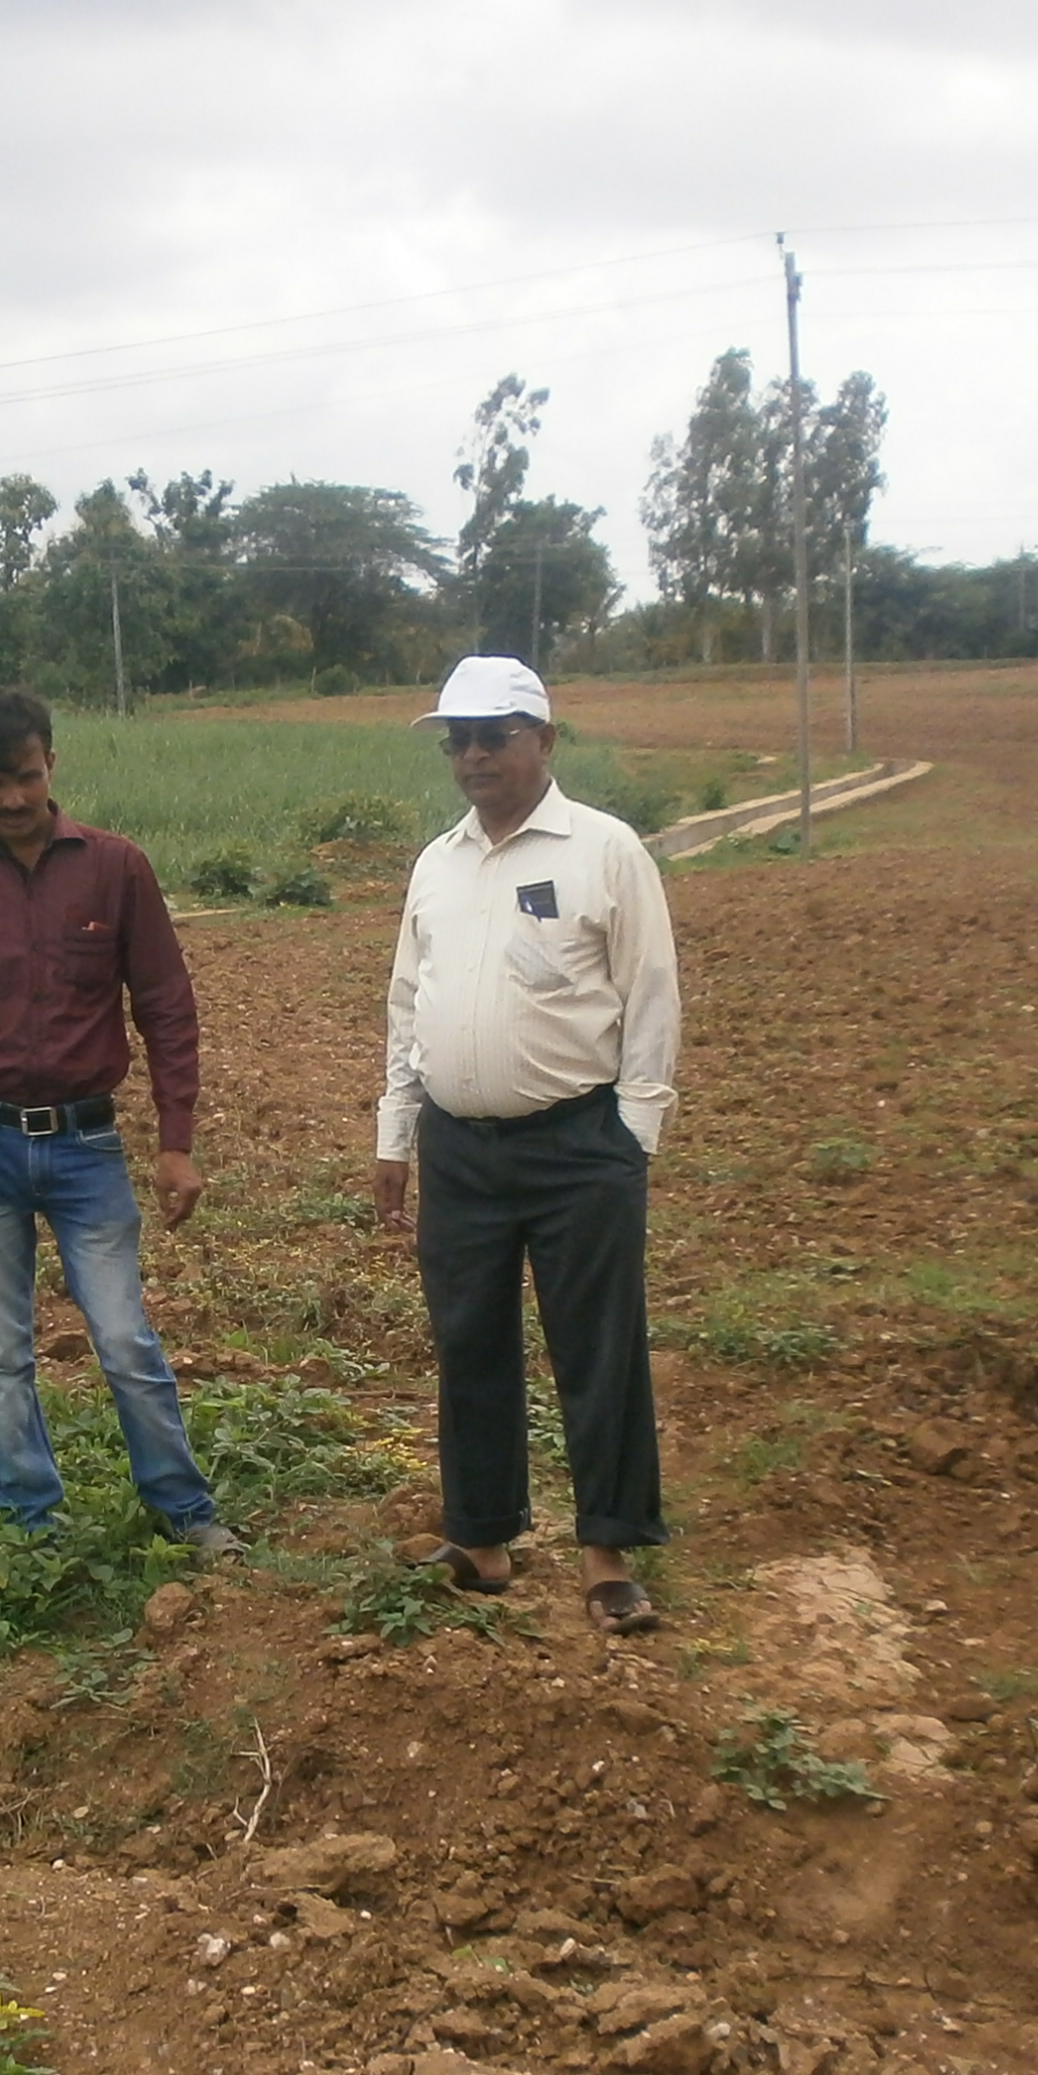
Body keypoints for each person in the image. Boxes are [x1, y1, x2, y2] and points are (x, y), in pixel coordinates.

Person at [372, 654, 682, 1636]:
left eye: (492, 737)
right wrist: (396, 1131)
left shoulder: (605, 850)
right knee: (468, 1340)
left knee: (596, 1348)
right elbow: (407, 1001)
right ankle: (481, 1537)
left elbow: (650, 996)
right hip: (459, 1149)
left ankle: (608, 1554)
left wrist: (633, 1133)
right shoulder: (437, 862)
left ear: (542, 741)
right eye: (457, 740)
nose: (473, 756)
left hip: (577, 1144)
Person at [0, 686, 238, 1555]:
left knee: (122, 1337)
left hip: (87, 1146)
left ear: (52, 763)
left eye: (27, 777)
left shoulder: (116, 870)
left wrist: (176, 1142)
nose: (12, 799)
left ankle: (185, 1511)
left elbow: (166, 1007)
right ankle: (32, 1527)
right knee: (3, 1354)